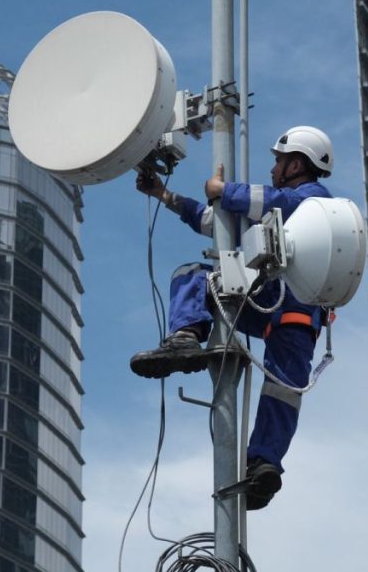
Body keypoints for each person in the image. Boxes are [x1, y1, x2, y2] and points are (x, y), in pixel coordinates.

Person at [130, 125, 334, 510]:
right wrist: (164, 195)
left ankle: (262, 463)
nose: (273, 168)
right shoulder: (273, 210)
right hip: (274, 309)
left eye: (278, 161)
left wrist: (226, 191)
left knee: (282, 394)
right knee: (283, 392)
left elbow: (269, 200)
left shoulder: (312, 199)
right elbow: (216, 224)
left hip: (290, 308)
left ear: (296, 164)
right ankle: (187, 340)